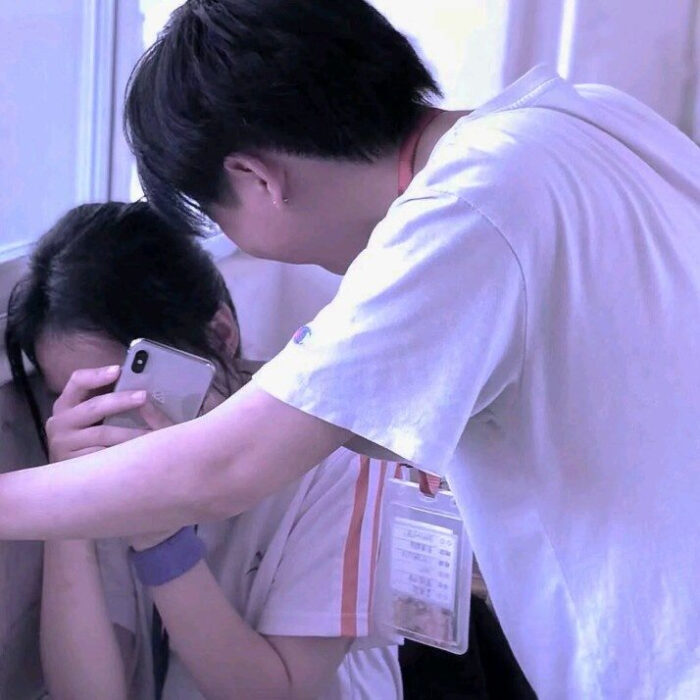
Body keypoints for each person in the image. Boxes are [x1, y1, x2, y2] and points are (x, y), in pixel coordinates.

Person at [1, 1, 699, 696]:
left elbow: (229, 464)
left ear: (256, 178)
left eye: (216, 217)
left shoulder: (469, 210)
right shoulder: (586, 117)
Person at [6, 201, 401, 699]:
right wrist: (67, 504)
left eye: (127, 386)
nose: (111, 420)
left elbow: (276, 692)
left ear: (221, 334)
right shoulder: (107, 455)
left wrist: (159, 536)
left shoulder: (337, 454)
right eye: (88, 399)